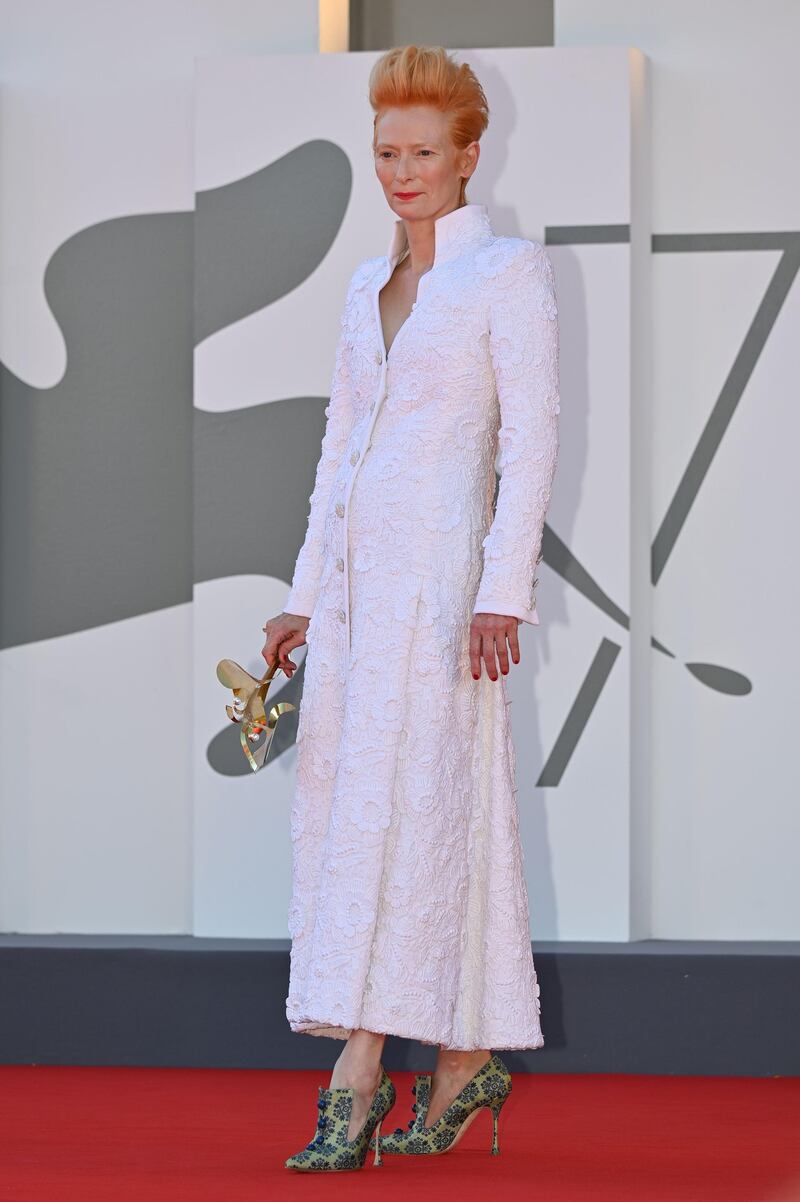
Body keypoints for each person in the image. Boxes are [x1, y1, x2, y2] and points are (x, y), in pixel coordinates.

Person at [261, 44, 560, 1173]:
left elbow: (528, 444)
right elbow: (338, 447)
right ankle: (460, 1059)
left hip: (443, 599)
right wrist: (299, 597)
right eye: (385, 151)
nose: (400, 171)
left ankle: (355, 1067)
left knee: (413, 812)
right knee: (369, 814)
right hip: (347, 600)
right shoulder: (361, 284)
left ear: (467, 154)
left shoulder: (506, 276)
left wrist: (500, 592)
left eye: (422, 152)